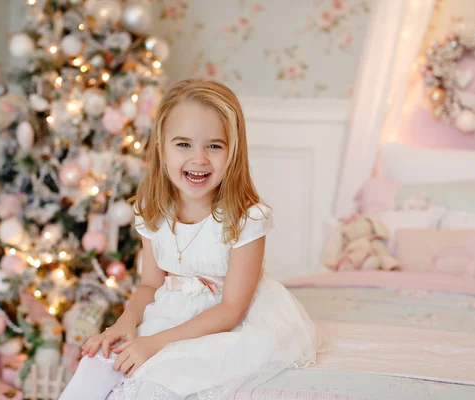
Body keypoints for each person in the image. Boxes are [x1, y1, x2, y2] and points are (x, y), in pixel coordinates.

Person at [59, 78, 321, 399]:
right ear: (161, 148)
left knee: (155, 383)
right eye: (183, 144)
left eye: (214, 145)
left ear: (233, 151)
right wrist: (123, 325)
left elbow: (231, 310)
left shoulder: (246, 218)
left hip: (226, 327)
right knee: (97, 364)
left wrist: (153, 344)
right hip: (169, 315)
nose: (199, 158)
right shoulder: (152, 211)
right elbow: (149, 286)